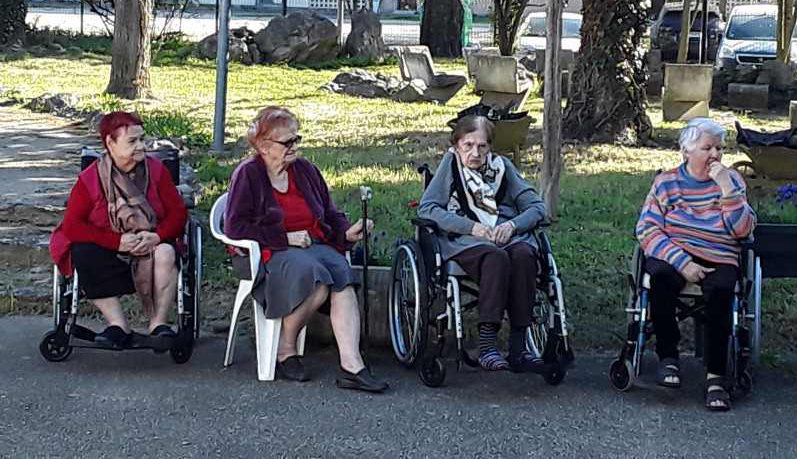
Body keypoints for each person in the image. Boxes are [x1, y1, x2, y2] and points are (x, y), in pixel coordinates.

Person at [223, 106, 388, 393]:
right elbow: (235, 229)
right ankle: (286, 348)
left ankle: (352, 365)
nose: (294, 147)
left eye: (296, 139)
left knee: (341, 274)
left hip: (312, 244)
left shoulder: (306, 170)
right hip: (267, 253)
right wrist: (284, 237)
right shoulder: (247, 175)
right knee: (315, 277)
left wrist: (347, 231)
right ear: (263, 146)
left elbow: (330, 213)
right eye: (287, 142)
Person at [636, 117, 756, 412]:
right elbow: (647, 229)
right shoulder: (666, 183)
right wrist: (682, 262)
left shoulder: (732, 182)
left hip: (719, 253)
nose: (715, 155)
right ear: (687, 151)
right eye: (707, 148)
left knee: (723, 290)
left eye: (719, 148)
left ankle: (716, 376)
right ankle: (668, 357)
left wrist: (728, 190)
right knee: (660, 278)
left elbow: (743, 231)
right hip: (675, 252)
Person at [417, 115, 549, 373]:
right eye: (468, 145)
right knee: (495, 258)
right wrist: (472, 227)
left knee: (523, 254)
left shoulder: (503, 167)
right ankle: (487, 346)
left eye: (482, 147)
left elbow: (537, 207)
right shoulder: (451, 166)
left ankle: (519, 346)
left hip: (506, 235)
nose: (475, 153)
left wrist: (512, 225)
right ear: (456, 145)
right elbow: (428, 208)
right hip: (465, 240)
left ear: (490, 147)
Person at [56, 111, 188, 348]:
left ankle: (158, 325)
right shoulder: (90, 179)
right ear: (110, 143)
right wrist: (116, 241)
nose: (141, 147)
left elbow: (178, 214)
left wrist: (157, 236)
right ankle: (118, 325)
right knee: (82, 251)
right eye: (132, 141)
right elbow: (72, 225)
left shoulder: (157, 171)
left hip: (152, 245)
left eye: (142, 139)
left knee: (167, 253)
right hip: (110, 251)